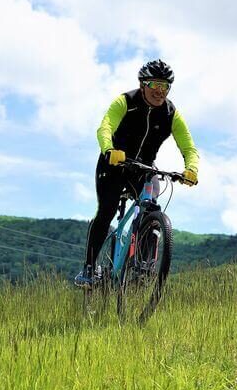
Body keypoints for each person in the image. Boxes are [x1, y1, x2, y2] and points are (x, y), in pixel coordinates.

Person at [74, 59, 199, 286]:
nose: (160, 91)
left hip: (143, 169)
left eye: (165, 86)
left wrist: (191, 168)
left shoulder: (171, 114)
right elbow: (105, 127)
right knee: (107, 211)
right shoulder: (126, 101)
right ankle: (89, 268)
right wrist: (109, 149)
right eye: (154, 85)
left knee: (152, 207)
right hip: (114, 164)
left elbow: (189, 147)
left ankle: (143, 265)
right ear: (143, 84)